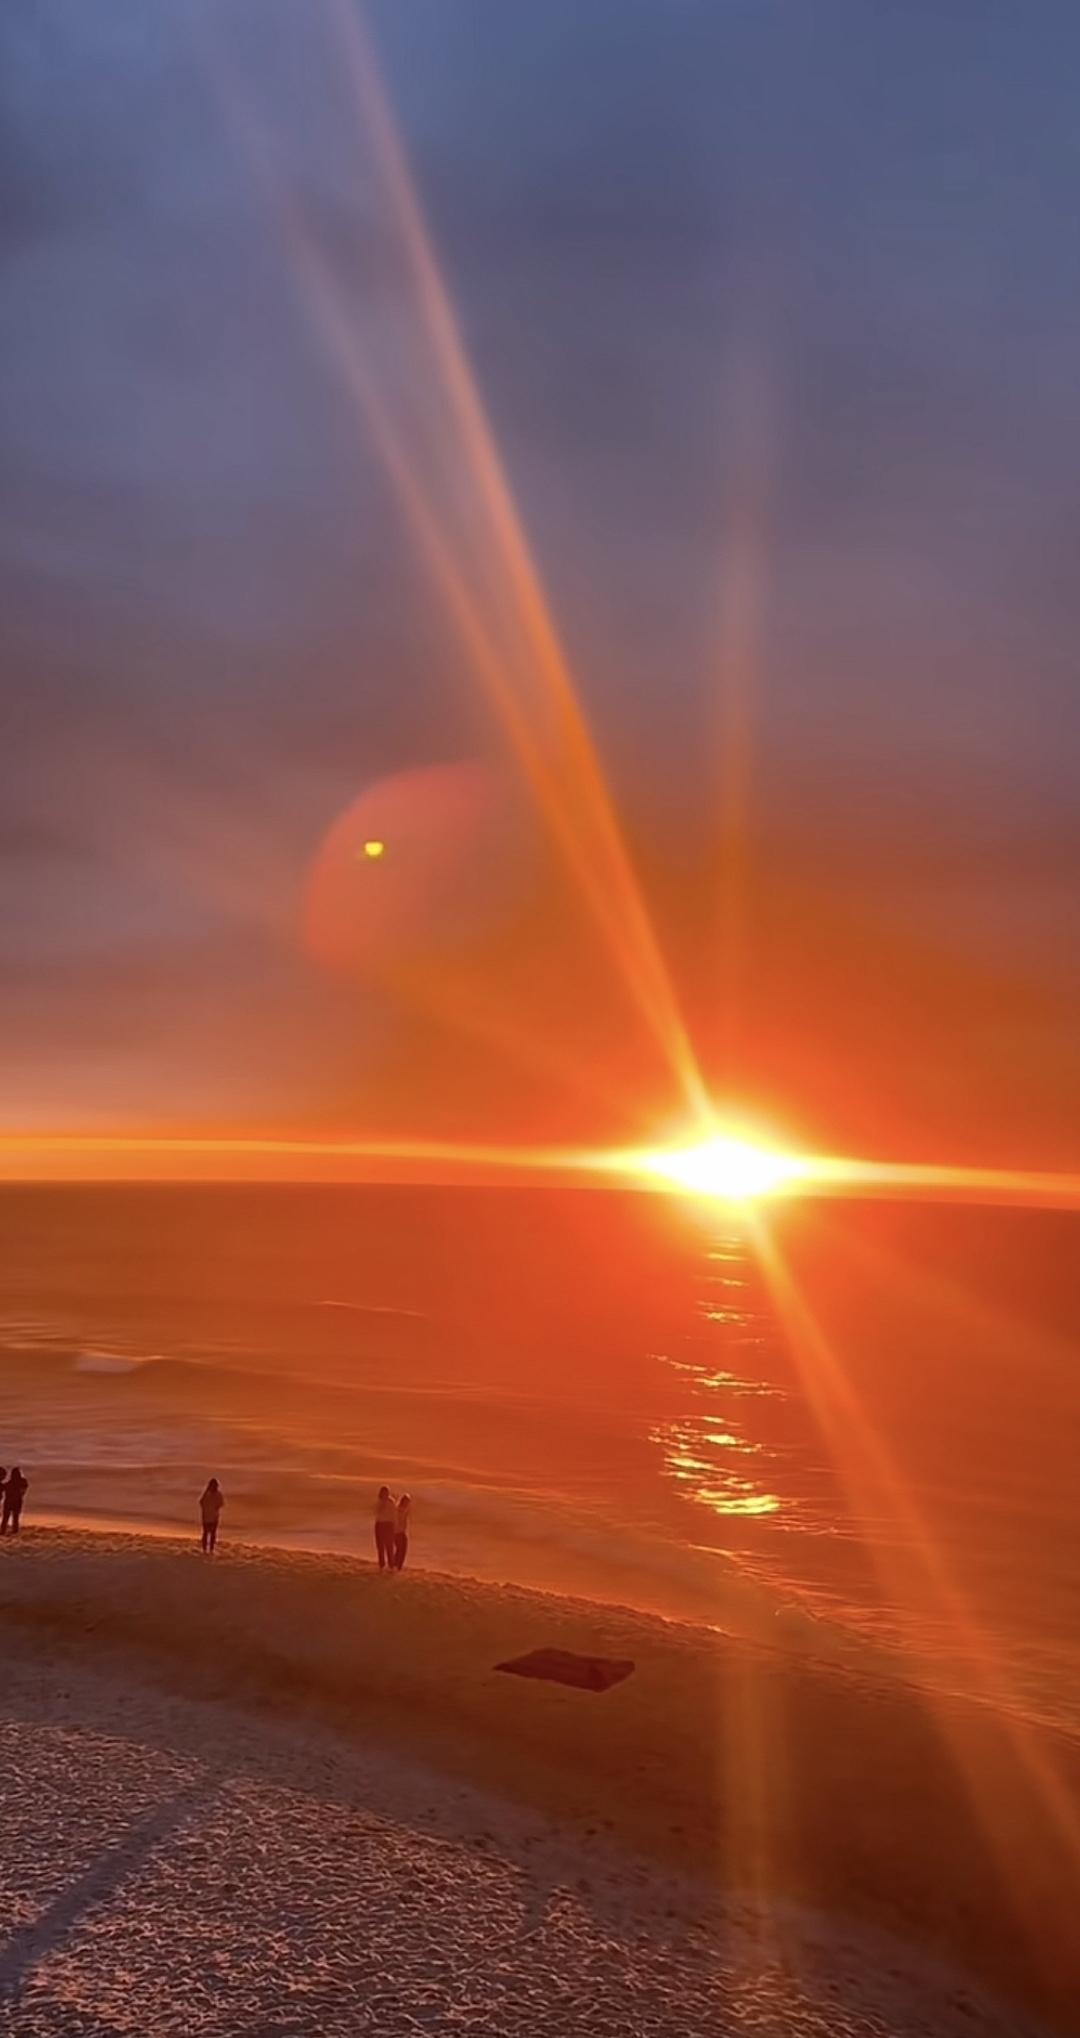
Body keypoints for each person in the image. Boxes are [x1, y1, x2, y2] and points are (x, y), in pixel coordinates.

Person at [374, 1485, 396, 1569]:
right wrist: (382, 1504)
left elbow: (393, 1515)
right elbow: (376, 1512)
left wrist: (394, 1526)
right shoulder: (379, 1502)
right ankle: (381, 1565)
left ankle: (391, 1565)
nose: (385, 1494)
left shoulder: (391, 1502)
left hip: (388, 1524)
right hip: (380, 1524)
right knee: (380, 1546)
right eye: (383, 1493)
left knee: (389, 1546)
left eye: (386, 1493)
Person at [199, 1478, 224, 1554]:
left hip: (213, 1517)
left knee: (212, 1534)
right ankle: (205, 1549)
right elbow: (201, 1502)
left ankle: (210, 1549)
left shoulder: (215, 1494)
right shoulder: (207, 1494)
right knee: (206, 1533)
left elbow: (221, 1504)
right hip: (207, 1517)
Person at [1, 1467, 28, 1536]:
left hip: (9, 1502)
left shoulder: (9, 1483)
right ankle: (13, 1531)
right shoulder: (22, 1482)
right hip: (16, 1502)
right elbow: (24, 1490)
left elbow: (3, 1488)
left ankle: (3, 1531)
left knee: (7, 1518)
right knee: (14, 1518)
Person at [392, 1491, 411, 1571]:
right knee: (400, 1550)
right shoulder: (397, 1510)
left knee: (402, 1550)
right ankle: (395, 1565)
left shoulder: (405, 1510)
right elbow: (395, 1522)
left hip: (402, 1532)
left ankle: (397, 1566)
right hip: (397, 1533)